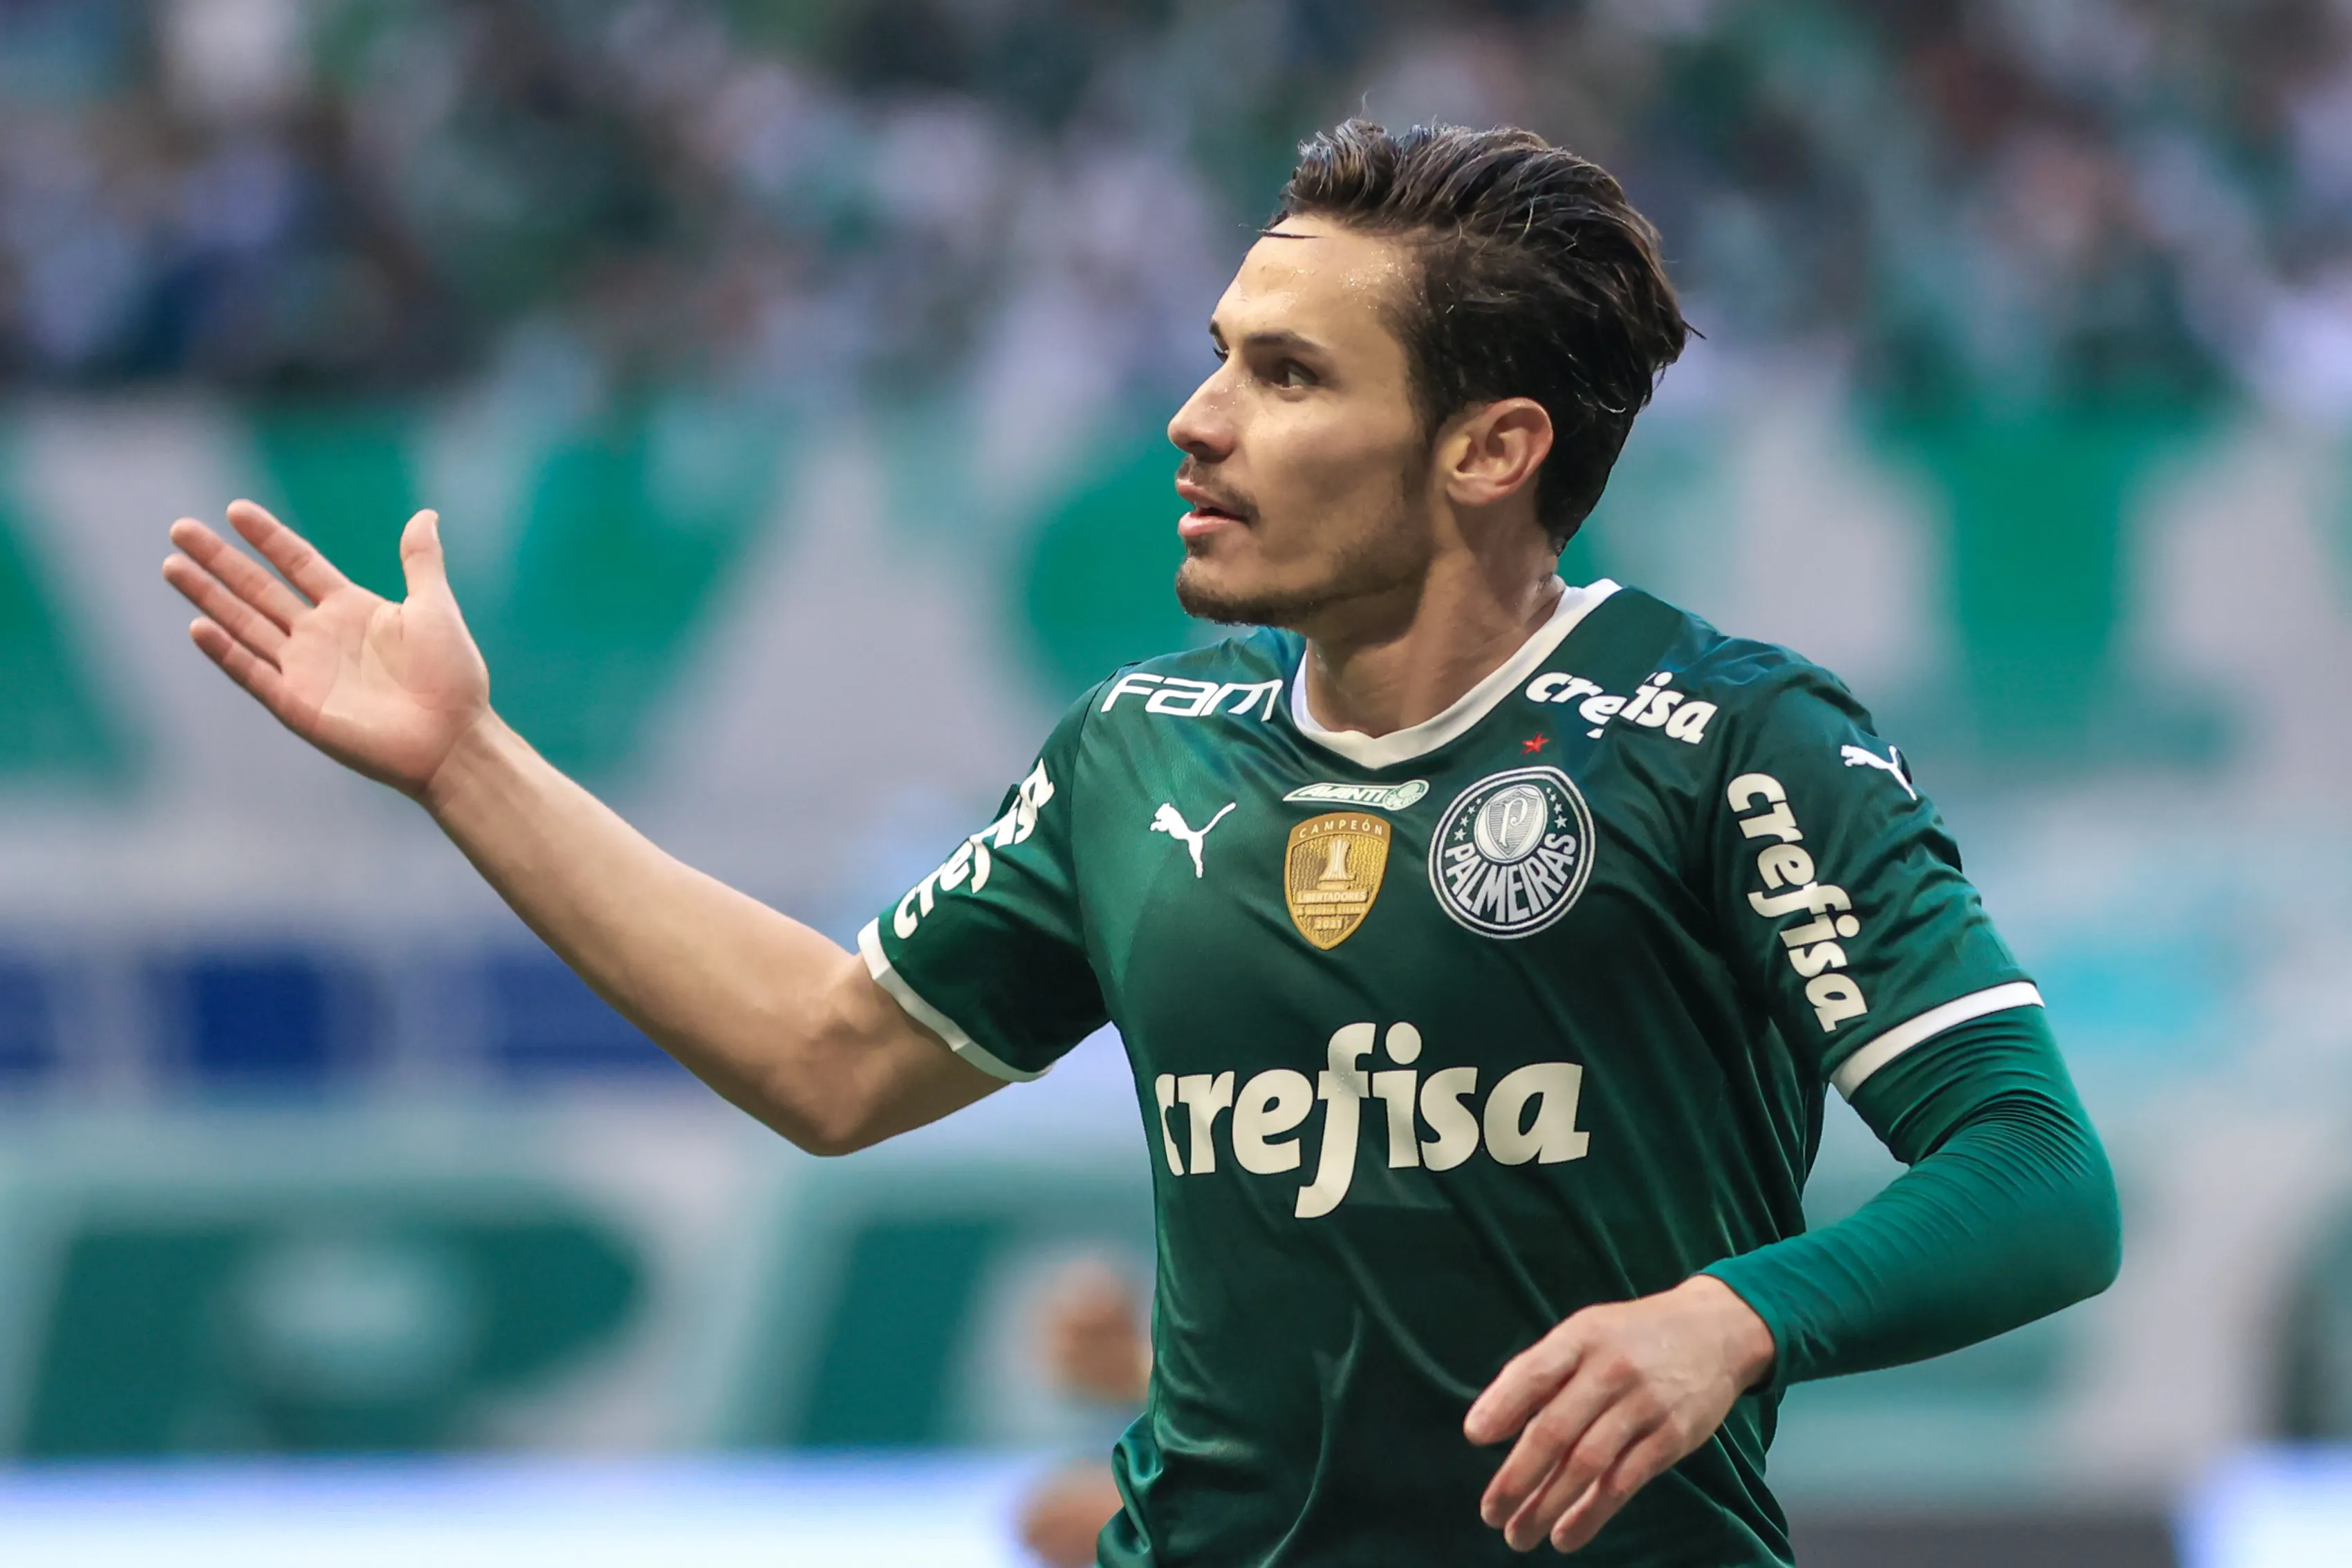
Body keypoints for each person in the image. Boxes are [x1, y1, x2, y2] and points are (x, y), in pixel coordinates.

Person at [160, 121, 2120, 1565]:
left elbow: (2036, 1170)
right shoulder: (1138, 755)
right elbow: (828, 1057)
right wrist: (466, 761)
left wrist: (1735, 1312)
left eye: (1286, 376)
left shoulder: (1727, 738)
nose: (1196, 420)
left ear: (1491, 448)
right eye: (1219, 352)